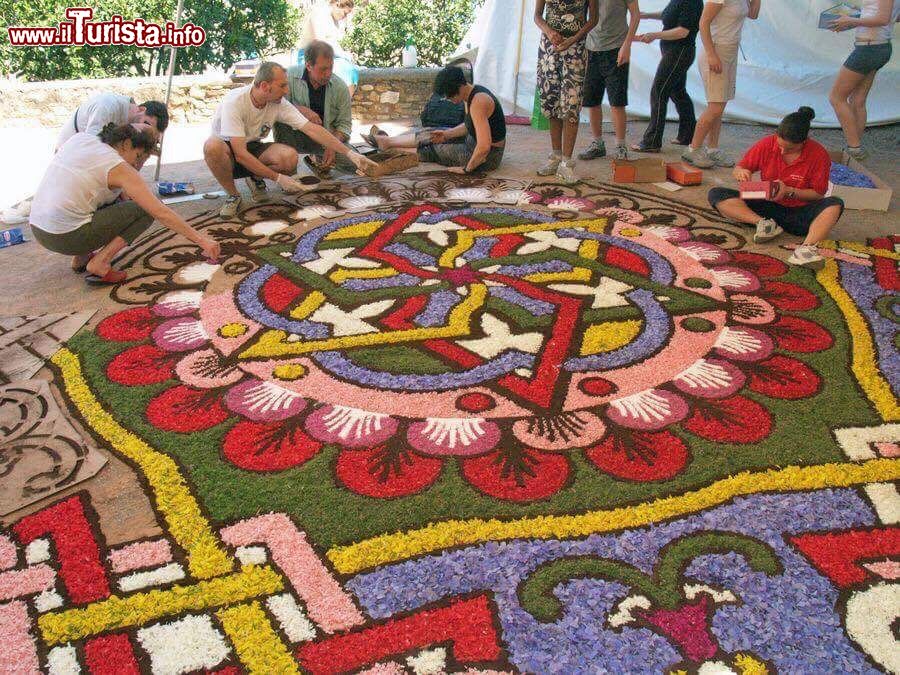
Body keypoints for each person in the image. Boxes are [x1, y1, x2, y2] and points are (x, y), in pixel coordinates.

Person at [30, 124, 220, 285]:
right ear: (126, 144)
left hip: (38, 228)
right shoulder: (118, 166)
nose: (137, 166)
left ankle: (80, 258)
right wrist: (202, 240)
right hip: (66, 236)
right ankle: (100, 263)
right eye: (139, 157)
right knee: (142, 210)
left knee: (99, 198)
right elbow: (160, 212)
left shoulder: (80, 139)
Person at [203, 62, 375, 218]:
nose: (286, 90)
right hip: (228, 153)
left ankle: (256, 177)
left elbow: (311, 128)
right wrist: (278, 178)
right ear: (264, 86)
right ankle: (233, 196)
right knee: (212, 147)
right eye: (282, 85)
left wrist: (350, 153)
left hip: (253, 147)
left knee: (289, 157)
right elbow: (240, 154)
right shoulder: (234, 102)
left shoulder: (278, 103)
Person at [707, 107, 844, 267]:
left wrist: (789, 192)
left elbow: (818, 194)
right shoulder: (767, 143)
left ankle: (806, 249)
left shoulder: (818, 154)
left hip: (799, 214)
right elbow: (741, 168)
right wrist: (742, 172)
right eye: (780, 146)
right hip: (767, 204)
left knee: (835, 203)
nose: (783, 151)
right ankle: (763, 224)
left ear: (804, 142)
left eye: (790, 149)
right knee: (717, 193)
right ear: (776, 135)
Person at [365, 66, 506, 175]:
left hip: (488, 158)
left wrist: (467, 170)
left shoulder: (479, 102)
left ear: (459, 87)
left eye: (449, 97)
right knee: (433, 134)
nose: (449, 100)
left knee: (434, 149)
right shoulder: (470, 94)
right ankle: (387, 142)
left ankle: (393, 149)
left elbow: (484, 147)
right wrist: (447, 134)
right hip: (472, 141)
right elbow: (470, 125)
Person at [682, 0, 760, 168]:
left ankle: (712, 148)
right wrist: (711, 54)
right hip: (717, 50)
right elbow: (703, 22)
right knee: (716, 106)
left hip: (730, 50)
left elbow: (753, 14)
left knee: (719, 104)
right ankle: (693, 149)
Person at [534, 0, 599, 184]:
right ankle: (555, 157)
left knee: (571, 102)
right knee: (551, 100)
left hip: (576, 49)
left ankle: (566, 163)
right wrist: (549, 32)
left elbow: (593, 19)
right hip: (549, 48)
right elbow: (537, 16)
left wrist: (573, 38)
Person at [828, 0, 900, 161]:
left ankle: (855, 149)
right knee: (857, 100)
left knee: (836, 97)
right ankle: (855, 148)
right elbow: (890, 16)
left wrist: (851, 20)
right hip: (877, 46)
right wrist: (858, 18)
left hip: (869, 48)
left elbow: (882, 19)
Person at [631, 0, 703, 153]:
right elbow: (668, 14)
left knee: (659, 91)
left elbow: (682, 31)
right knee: (678, 92)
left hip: (680, 52)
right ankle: (687, 135)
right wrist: (647, 15)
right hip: (672, 51)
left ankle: (652, 141)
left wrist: (654, 35)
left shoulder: (693, 2)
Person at [274, 41, 355, 176]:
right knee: (281, 132)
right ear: (308, 66)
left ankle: (317, 159)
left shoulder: (340, 87)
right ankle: (289, 164)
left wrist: (332, 145)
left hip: (325, 139)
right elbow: (273, 106)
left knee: (354, 163)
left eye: (331, 67)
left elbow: (345, 125)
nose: (328, 73)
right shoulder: (288, 77)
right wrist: (299, 110)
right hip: (294, 137)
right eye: (323, 69)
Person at [578, 0, 641, 162]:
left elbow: (636, 15)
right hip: (591, 48)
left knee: (617, 101)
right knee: (591, 100)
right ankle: (597, 144)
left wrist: (627, 45)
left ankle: (621, 145)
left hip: (616, 48)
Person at [56, 93, 168, 152]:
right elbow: (92, 147)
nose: (144, 129)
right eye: (146, 124)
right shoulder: (107, 106)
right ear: (141, 109)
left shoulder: (125, 117)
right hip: (68, 157)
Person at [297, 0, 360, 98]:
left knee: (351, 70)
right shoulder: (319, 12)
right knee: (343, 70)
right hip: (310, 56)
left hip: (328, 56)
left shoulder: (335, 21)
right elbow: (320, 43)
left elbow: (333, 44)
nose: (345, 17)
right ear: (338, 5)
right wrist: (342, 55)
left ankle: (343, 106)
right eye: (345, 13)